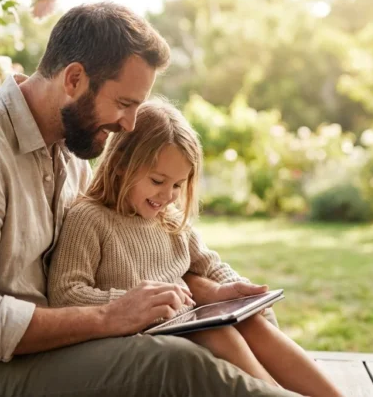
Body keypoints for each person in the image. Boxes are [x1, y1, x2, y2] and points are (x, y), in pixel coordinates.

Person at [0, 2, 302, 397]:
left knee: (229, 329)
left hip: (34, 353)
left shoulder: (69, 154)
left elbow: (111, 261)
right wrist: (110, 316)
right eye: (123, 103)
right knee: (173, 365)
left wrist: (202, 291)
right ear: (73, 79)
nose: (129, 124)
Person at [47, 99, 345, 397]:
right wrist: (135, 302)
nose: (167, 195)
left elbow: (209, 264)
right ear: (122, 164)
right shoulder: (90, 218)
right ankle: (272, 392)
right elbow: (65, 293)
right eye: (157, 181)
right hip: (128, 339)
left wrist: (239, 291)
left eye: (178, 185)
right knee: (217, 333)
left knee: (252, 323)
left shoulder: (169, 219)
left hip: (179, 323)